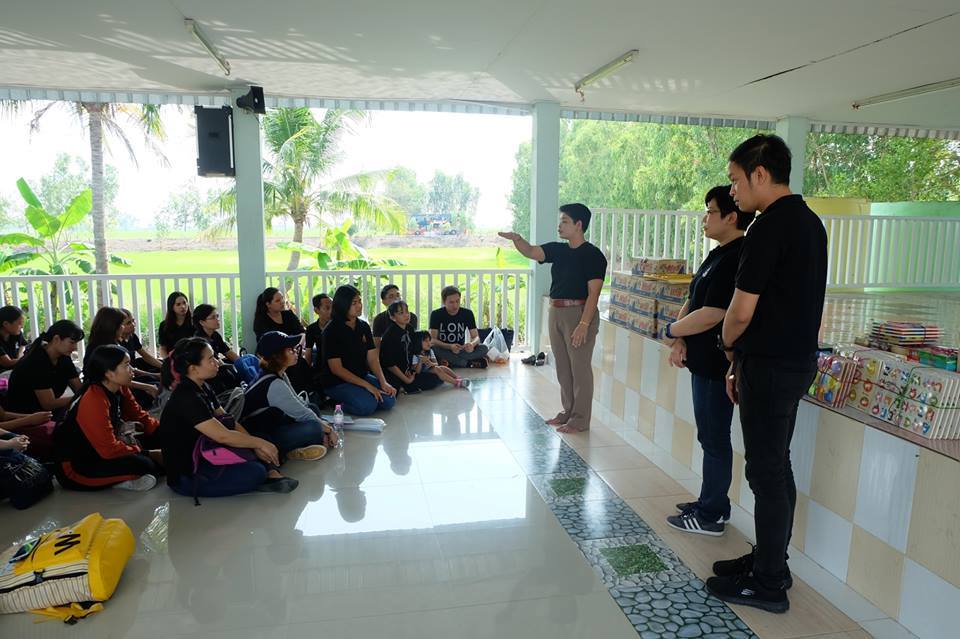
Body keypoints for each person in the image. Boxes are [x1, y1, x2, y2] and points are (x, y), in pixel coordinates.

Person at [707, 134, 827, 613]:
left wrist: (728, 348)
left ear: (760, 174)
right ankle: (770, 561)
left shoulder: (768, 228)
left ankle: (769, 582)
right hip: (794, 362)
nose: (732, 190)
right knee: (777, 466)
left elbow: (740, 312)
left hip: (771, 366)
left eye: (736, 180)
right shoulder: (810, 222)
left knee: (766, 471)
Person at [662, 186, 754, 537]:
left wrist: (671, 330)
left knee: (714, 438)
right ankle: (711, 502)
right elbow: (693, 301)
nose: (705, 218)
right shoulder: (717, 255)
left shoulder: (737, 257)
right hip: (701, 360)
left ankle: (711, 514)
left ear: (731, 217)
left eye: (711, 211)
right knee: (709, 436)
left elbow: (714, 313)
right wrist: (679, 338)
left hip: (719, 363)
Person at [499, 203, 606, 433]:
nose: (560, 225)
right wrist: (517, 239)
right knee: (563, 368)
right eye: (560, 221)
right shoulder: (559, 250)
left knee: (580, 368)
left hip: (579, 314)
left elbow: (594, 293)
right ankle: (568, 411)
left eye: (565, 221)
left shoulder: (593, 255)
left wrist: (584, 324)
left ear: (579, 225)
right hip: (556, 311)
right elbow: (531, 251)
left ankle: (580, 419)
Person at [158, 337, 298, 498]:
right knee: (255, 471)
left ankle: (271, 471)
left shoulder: (203, 387)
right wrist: (259, 444)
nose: (217, 362)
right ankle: (267, 471)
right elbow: (223, 436)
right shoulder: (186, 397)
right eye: (211, 359)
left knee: (260, 437)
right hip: (189, 473)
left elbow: (229, 420)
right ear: (193, 368)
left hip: (209, 450)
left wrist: (257, 445)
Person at [53, 344, 163, 491]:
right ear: (109, 373)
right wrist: (147, 453)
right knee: (146, 465)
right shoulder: (94, 399)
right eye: (127, 365)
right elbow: (108, 449)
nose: (132, 370)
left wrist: (163, 433)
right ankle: (122, 480)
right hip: (77, 466)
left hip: (101, 449)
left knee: (159, 439)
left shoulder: (120, 386)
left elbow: (139, 415)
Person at [241, 331, 336, 461]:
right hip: (264, 435)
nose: (296, 352)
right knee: (314, 428)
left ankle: (301, 446)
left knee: (312, 408)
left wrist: (324, 427)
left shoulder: (278, 373)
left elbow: (299, 403)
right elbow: (302, 414)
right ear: (277, 356)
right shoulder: (274, 384)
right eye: (290, 350)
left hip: (274, 423)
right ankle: (287, 452)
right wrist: (329, 430)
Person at [4, 320, 83, 460]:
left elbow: (79, 389)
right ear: (56, 339)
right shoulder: (36, 361)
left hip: (47, 413)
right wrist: (81, 396)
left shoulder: (63, 359)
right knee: (72, 437)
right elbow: (48, 403)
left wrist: (85, 394)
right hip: (27, 416)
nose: (75, 347)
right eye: (72, 342)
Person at [319, 285, 396, 416]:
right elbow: (337, 369)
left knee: (389, 399)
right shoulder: (331, 330)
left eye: (359, 301)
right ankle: (334, 402)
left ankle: (361, 395)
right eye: (354, 303)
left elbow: (372, 358)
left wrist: (383, 382)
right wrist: (368, 386)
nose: (359, 306)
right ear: (343, 305)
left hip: (361, 375)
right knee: (368, 406)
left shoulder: (363, 326)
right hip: (337, 382)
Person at [85, 306, 160, 408]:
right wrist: (148, 387)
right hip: (106, 388)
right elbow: (116, 379)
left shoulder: (114, 341)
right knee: (147, 393)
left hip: (120, 381)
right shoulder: (103, 348)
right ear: (112, 327)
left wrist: (156, 375)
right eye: (122, 324)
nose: (123, 327)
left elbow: (130, 369)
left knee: (151, 380)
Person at [379, 301, 447, 393]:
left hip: (410, 370)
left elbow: (417, 348)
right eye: (401, 313)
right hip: (395, 372)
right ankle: (405, 386)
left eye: (407, 311)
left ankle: (408, 385)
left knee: (436, 378)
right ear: (392, 317)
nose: (406, 315)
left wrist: (426, 361)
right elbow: (389, 364)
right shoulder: (389, 335)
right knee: (394, 386)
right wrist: (406, 379)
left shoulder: (409, 328)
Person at [253, 287, 311, 391]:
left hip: (294, 350)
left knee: (305, 360)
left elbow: (302, 333)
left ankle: (308, 391)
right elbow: (268, 344)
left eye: (282, 298)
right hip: (275, 356)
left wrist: (297, 347)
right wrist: (292, 350)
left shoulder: (288, 315)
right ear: (268, 304)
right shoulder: (262, 321)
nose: (282, 302)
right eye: (277, 300)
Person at [428, 286, 489, 369]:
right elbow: (432, 340)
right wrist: (449, 346)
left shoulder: (467, 313)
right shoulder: (436, 314)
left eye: (457, 301)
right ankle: (468, 363)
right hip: (444, 348)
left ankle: (451, 362)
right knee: (433, 349)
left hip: (461, 350)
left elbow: (476, 337)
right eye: (451, 302)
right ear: (444, 302)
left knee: (484, 348)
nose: (455, 305)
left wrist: (472, 344)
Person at [119, 308, 163, 373]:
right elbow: (129, 369)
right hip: (127, 372)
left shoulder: (132, 336)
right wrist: (155, 375)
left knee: (162, 364)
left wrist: (164, 366)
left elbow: (145, 356)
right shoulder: (116, 343)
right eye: (128, 323)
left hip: (134, 367)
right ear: (119, 326)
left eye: (133, 321)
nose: (133, 324)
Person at [157, 292, 194, 357]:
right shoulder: (164, 325)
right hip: (173, 359)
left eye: (184, 303)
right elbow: (163, 348)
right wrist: (167, 360)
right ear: (171, 307)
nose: (183, 306)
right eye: (178, 304)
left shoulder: (194, 323)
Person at [304, 293, 331, 367]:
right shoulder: (311, 329)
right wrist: (307, 370)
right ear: (316, 310)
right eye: (327, 308)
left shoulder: (338, 326)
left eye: (333, 307)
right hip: (320, 366)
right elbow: (308, 352)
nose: (331, 311)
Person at [0, 305, 27, 371]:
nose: (22, 327)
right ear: (6, 324)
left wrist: (20, 355)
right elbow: (7, 363)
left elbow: (23, 344)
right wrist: (26, 358)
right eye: (19, 324)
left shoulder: (16, 333)